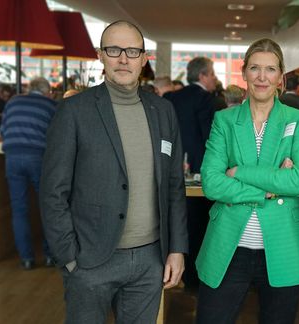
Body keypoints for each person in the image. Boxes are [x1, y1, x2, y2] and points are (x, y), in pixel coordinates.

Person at [39, 20, 188, 323]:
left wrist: (176, 250)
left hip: (150, 260)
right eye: (114, 49)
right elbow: (53, 190)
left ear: (144, 59)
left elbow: (174, 185)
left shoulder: (163, 111)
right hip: (90, 259)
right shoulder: (74, 111)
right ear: (101, 55)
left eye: (132, 51)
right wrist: (69, 257)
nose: (123, 58)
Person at [195, 38, 299, 324]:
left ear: (280, 77)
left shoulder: (298, 120)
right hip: (229, 246)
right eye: (255, 68)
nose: (262, 77)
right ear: (244, 72)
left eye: (270, 69)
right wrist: (270, 188)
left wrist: (239, 172)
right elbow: (212, 183)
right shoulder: (224, 120)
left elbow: (298, 182)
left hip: (284, 244)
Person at [163, 56, 218, 291]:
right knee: (199, 226)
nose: (215, 79)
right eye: (213, 74)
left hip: (170, 168)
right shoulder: (207, 99)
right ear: (203, 76)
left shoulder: (171, 98)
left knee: (175, 223)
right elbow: (209, 138)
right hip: (199, 172)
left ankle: (175, 272)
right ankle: (195, 279)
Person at [0, 77, 56, 270]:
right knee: (47, 207)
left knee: (19, 209)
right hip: (39, 157)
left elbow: (3, 130)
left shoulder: (13, 101)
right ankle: (50, 256)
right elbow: (57, 134)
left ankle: (27, 259)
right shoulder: (50, 105)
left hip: (12, 157)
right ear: (47, 91)